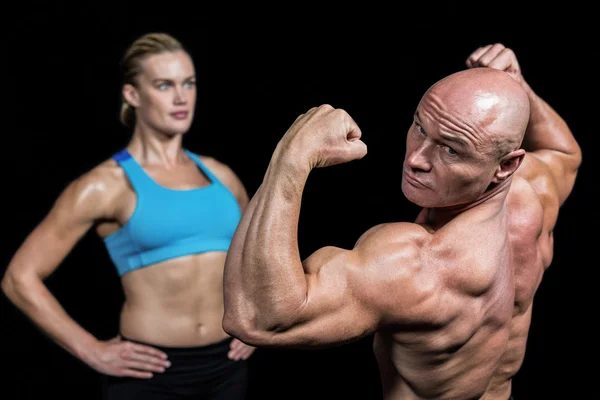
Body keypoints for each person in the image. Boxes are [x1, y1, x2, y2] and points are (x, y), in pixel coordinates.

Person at [221, 43, 581, 400]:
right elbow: (564, 152)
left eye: (451, 149)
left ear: (505, 166)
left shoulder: (419, 264)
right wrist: (518, 87)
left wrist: (290, 158)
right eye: (421, 128)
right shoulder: (535, 194)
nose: (417, 160)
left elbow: (256, 317)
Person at [2, 32, 255, 399]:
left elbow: (257, 260)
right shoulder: (105, 185)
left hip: (228, 368)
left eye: (189, 83)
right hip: (151, 377)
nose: (181, 97)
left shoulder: (223, 176)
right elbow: (19, 278)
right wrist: (92, 350)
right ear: (132, 95)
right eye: (164, 85)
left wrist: (260, 322)